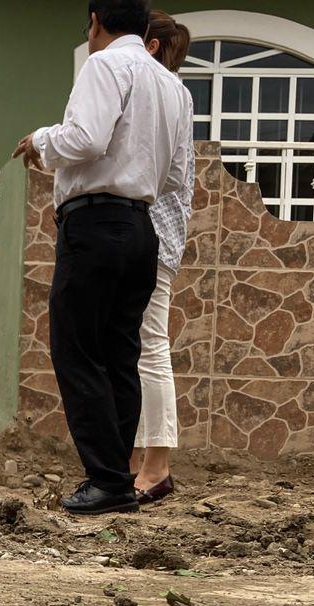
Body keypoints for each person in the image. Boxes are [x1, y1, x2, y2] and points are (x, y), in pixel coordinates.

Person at [12, 0, 189, 516]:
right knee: (119, 355)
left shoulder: (105, 64)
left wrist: (42, 138)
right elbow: (176, 176)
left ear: (96, 22)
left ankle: (106, 479)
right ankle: (118, 477)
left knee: (77, 351)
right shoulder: (172, 86)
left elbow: (85, 139)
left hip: (96, 224)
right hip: (142, 228)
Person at [132, 11, 193, 506]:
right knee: (137, 350)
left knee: (150, 347)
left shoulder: (165, 92)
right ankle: (140, 459)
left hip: (154, 234)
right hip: (156, 236)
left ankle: (157, 463)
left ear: (149, 46)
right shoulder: (172, 92)